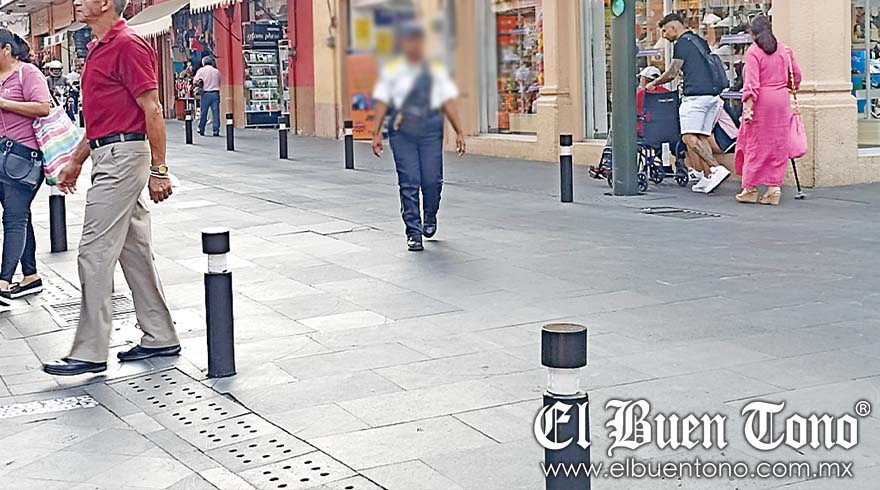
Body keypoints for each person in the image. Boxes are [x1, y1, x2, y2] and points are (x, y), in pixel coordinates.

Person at [44, 0, 179, 376]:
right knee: (134, 251)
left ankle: (90, 350)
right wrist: (76, 161)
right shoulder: (98, 47)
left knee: (94, 251)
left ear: (105, 3)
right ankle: (160, 335)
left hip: (123, 157)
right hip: (108, 152)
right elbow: (101, 119)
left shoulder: (127, 45)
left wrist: (160, 170)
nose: (76, 1)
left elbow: (152, 108)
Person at [371, 22, 465, 252]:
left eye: (417, 40)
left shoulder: (435, 68)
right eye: (408, 40)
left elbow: (447, 100)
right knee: (409, 181)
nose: (413, 45)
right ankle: (413, 232)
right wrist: (376, 132)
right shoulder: (392, 69)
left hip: (430, 131)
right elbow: (382, 101)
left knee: (432, 181)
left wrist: (459, 130)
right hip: (401, 132)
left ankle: (430, 215)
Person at [647, 13, 731, 194]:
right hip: (712, 96)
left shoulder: (681, 44)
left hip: (695, 97)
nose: (664, 36)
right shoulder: (698, 40)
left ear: (673, 28)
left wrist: (654, 83)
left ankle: (715, 168)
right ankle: (707, 177)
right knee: (701, 136)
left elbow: (672, 72)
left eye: (665, 31)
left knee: (687, 137)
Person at [0, 30, 50, 307]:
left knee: (14, 218)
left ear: (6, 49)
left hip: (23, 159)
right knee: (19, 215)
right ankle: (30, 275)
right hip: (1, 157)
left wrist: (5, 103)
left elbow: (43, 107)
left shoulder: (27, 73)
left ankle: (3, 283)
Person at [735, 15, 801, 205]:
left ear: (753, 34)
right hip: (781, 100)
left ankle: (750, 188)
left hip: (761, 102)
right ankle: (774, 188)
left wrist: (748, 109)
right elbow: (796, 77)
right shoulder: (784, 50)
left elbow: (751, 84)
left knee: (755, 144)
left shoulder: (754, 52)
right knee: (777, 144)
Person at [636, 66, 670, 135]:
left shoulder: (640, 95)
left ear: (643, 80)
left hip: (643, 131)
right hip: (664, 130)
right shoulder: (667, 94)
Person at [193, 55, 220, 137]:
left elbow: (195, 81)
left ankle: (201, 128)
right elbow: (219, 81)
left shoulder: (201, 71)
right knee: (215, 112)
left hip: (205, 94)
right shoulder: (216, 71)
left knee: (203, 112)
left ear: (203, 63)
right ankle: (216, 130)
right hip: (215, 93)